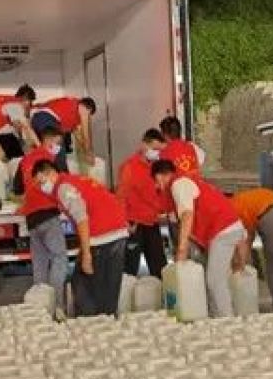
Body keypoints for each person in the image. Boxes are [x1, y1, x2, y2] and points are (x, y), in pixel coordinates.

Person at [31, 159, 128, 316]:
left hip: (101, 236)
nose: (42, 187)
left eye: (41, 182)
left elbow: (82, 219)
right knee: (108, 287)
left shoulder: (63, 188)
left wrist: (86, 254)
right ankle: (108, 321)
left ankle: (91, 323)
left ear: (49, 173)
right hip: (118, 232)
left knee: (85, 286)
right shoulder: (77, 180)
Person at [151, 159, 245, 318]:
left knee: (214, 280)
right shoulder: (182, 184)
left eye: (156, 181)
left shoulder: (179, 184)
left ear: (161, 176)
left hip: (222, 229)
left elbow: (187, 215)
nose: (157, 186)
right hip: (222, 230)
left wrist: (182, 250)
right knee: (213, 279)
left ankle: (227, 321)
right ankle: (216, 318)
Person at [12, 125, 69, 318]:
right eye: (58, 143)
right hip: (49, 215)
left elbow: (17, 190)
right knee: (59, 258)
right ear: (49, 140)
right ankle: (57, 306)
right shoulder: (51, 160)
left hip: (32, 219)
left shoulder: (25, 160)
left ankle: (40, 309)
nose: (58, 147)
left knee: (40, 262)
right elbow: (65, 183)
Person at [117, 129, 168, 277]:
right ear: (144, 145)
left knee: (160, 268)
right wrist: (124, 221)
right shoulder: (130, 166)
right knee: (129, 268)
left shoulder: (158, 167)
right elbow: (121, 196)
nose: (157, 153)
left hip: (152, 222)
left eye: (159, 150)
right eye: (154, 149)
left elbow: (160, 195)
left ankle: (163, 291)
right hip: (134, 224)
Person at [31, 97, 97, 168]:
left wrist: (86, 151)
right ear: (85, 107)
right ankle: (63, 172)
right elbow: (85, 134)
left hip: (38, 118)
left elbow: (78, 136)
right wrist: (88, 153)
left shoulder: (73, 117)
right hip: (44, 116)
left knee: (45, 152)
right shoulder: (76, 105)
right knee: (58, 146)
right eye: (88, 113)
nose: (86, 116)